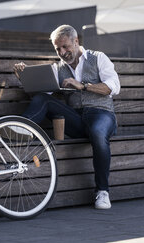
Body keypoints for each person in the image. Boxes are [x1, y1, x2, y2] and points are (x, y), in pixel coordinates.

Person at [14, 24, 120, 209]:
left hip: (102, 114)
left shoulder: (98, 58)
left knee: (97, 133)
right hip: (77, 119)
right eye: (58, 49)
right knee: (43, 99)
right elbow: (40, 97)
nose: (62, 52)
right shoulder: (57, 69)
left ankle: (102, 191)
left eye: (65, 46)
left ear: (76, 41)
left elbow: (113, 87)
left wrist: (83, 86)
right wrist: (23, 78)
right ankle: (22, 128)